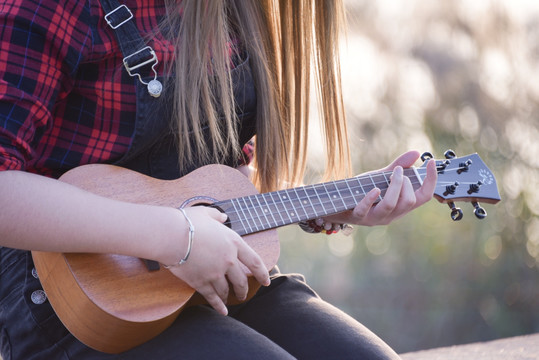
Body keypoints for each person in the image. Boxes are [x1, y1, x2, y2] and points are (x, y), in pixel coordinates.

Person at [0, 0, 437, 359]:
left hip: (214, 284)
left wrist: (334, 205)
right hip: (73, 304)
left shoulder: (237, 13)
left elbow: (222, 184)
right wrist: (178, 238)